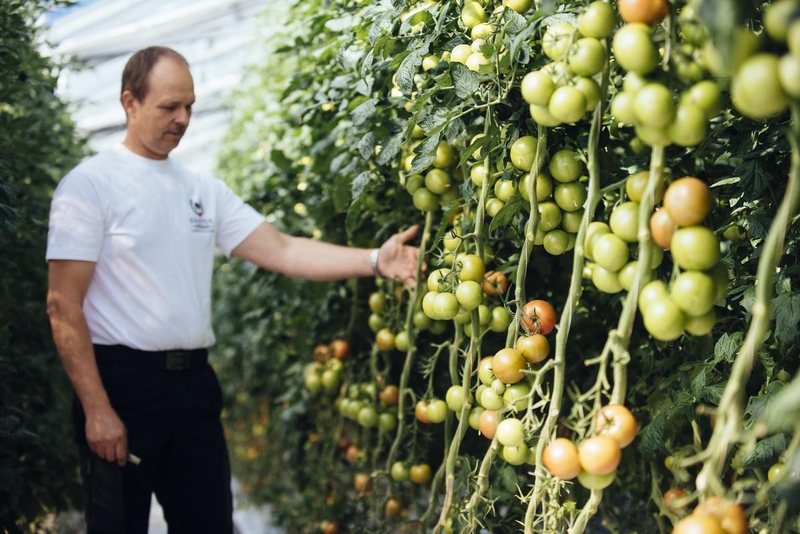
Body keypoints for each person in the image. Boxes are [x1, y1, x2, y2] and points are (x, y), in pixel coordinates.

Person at [45, 45, 421, 534]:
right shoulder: (90, 186)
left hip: (195, 385)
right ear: (129, 103)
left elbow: (283, 250)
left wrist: (374, 260)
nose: (182, 119)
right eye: (168, 107)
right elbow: (62, 305)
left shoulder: (204, 190)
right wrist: (97, 410)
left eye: (190, 107)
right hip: (121, 384)